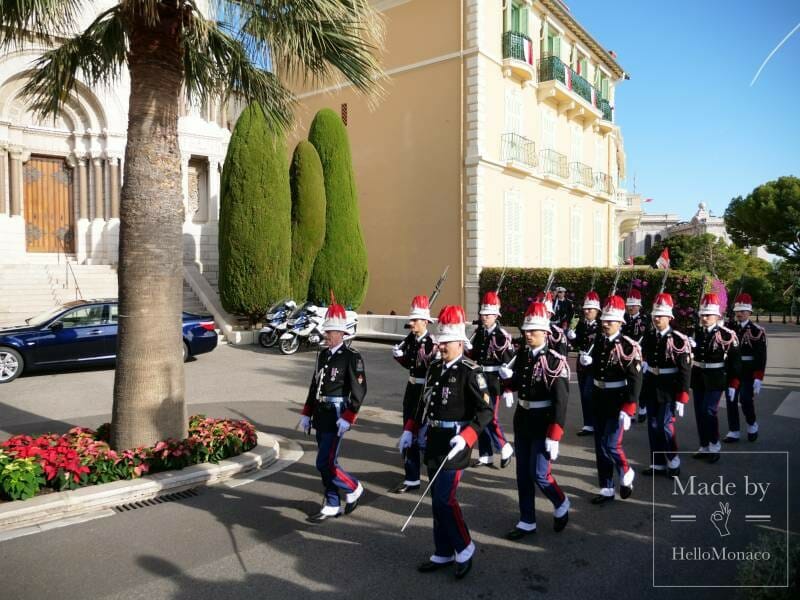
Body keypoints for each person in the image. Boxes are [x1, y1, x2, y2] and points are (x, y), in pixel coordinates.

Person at [399, 305, 494, 579]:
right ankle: (442, 551)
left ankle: (464, 546)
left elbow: (486, 411)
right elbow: (422, 403)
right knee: (436, 499)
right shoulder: (435, 368)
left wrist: (467, 437)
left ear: (459, 343)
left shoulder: (470, 371)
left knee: (444, 499)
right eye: (439, 342)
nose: (440, 346)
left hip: (457, 443)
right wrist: (409, 429)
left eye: (445, 343)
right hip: (434, 439)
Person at [499, 302, 570, 541]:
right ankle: (527, 519)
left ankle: (561, 501)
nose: (527, 335)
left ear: (546, 334)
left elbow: (561, 401)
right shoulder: (522, 356)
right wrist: (508, 382)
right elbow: (520, 384)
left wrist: (555, 435)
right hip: (523, 419)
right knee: (522, 474)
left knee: (539, 473)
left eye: (533, 332)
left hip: (543, 422)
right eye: (526, 331)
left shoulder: (555, 361)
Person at [299, 303, 367, 523]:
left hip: (337, 414)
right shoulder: (323, 355)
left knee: (325, 462)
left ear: (340, 333)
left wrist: (349, 416)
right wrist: (307, 413)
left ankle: (353, 487)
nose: (325, 335)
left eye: (329, 332)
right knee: (327, 461)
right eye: (325, 331)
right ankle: (332, 502)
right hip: (321, 412)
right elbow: (314, 385)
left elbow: (359, 390)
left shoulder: (351, 356)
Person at [579, 295, 642, 505]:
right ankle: (606, 486)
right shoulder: (597, 341)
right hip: (599, 397)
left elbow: (635, 380)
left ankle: (625, 469)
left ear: (620, 323)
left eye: (610, 321)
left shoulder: (628, 346)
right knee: (600, 445)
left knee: (611, 444)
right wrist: (587, 364)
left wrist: (629, 407)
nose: (605, 324)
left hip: (618, 400)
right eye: (604, 320)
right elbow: (597, 371)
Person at [639, 293, 691, 477]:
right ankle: (657, 463)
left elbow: (685, 369)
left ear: (669, 317)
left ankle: (673, 458)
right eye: (655, 315)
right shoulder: (650, 335)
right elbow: (646, 361)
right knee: (652, 425)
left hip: (669, 387)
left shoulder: (678, 339)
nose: (656, 318)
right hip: (652, 384)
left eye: (660, 315)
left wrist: (682, 395)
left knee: (665, 425)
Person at [390, 295, 438, 493]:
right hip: (411, 389)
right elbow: (410, 364)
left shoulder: (431, 343)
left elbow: (430, 368)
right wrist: (399, 358)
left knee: (424, 436)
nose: (411, 323)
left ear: (425, 322)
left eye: (415, 320)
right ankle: (411, 477)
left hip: (425, 390)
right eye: (411, 320)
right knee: (407, 431)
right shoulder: (410, 339)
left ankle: (435, 474)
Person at [690, 293, 741, 464]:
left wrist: (733, 384)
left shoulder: (727, 335)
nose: (704, 318)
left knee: (709, 410)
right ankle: (703, 445)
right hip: (698, 377)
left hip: (716, 378)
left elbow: (735, 362)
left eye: (708, 315)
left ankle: (714, 444)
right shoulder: (695, 332)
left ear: (717, 316)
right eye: (702, 315)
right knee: (699, 412)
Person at [466, 291, 514, 468]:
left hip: (494, 381)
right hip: (480, 379)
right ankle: (486, 454)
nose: (484, 317)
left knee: (490, 417)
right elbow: (475, 356)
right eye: (482, 314)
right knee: (480, 415)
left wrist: (508, 387)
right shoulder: (480, 332)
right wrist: (469, 349)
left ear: (496, 315)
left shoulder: (501, 335)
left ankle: (505, 446)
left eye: (487, 315)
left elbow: (509, 363)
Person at [723, 293, 767, 443]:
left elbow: (761, 356)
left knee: (746, 399)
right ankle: (734, 430)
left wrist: (758, 376)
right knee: (731, 399)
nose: (740, 314)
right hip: (732, 370)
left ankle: (751, 424)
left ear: (749, 312)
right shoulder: (729, 327)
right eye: (737, 311)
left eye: (743, 311)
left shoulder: (756, 330)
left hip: (748, 371)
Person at [567, 290, 601, 437]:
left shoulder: (601, 326)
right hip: (581, 362)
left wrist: (593, 358)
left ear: (597, 311)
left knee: (589, 393)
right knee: (583, 393)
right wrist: (572, 338)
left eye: (590, 309)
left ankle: (596, 421)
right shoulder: (581, 324)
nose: (587, 311)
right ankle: (588, 423)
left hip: (594, 363)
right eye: (586, 309)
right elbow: (578, 344)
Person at [623, 289, 651, 423]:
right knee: (628, 383)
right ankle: (631, 408)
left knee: (641, 384)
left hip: (640, 355)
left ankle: (643, 407)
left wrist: (645, 358)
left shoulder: (644, 320)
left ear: (639, 306)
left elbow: (647, 340)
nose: (631, 308)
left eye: (633, 305)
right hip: (626, 354)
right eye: (629, 305)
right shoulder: (623, 319)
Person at [535, 291, 569, 355]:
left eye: (547, 312)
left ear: (550, 314)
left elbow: (562, 355)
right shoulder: (530, 330)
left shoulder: (557, 333)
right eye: (540, 312)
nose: (543, 314)